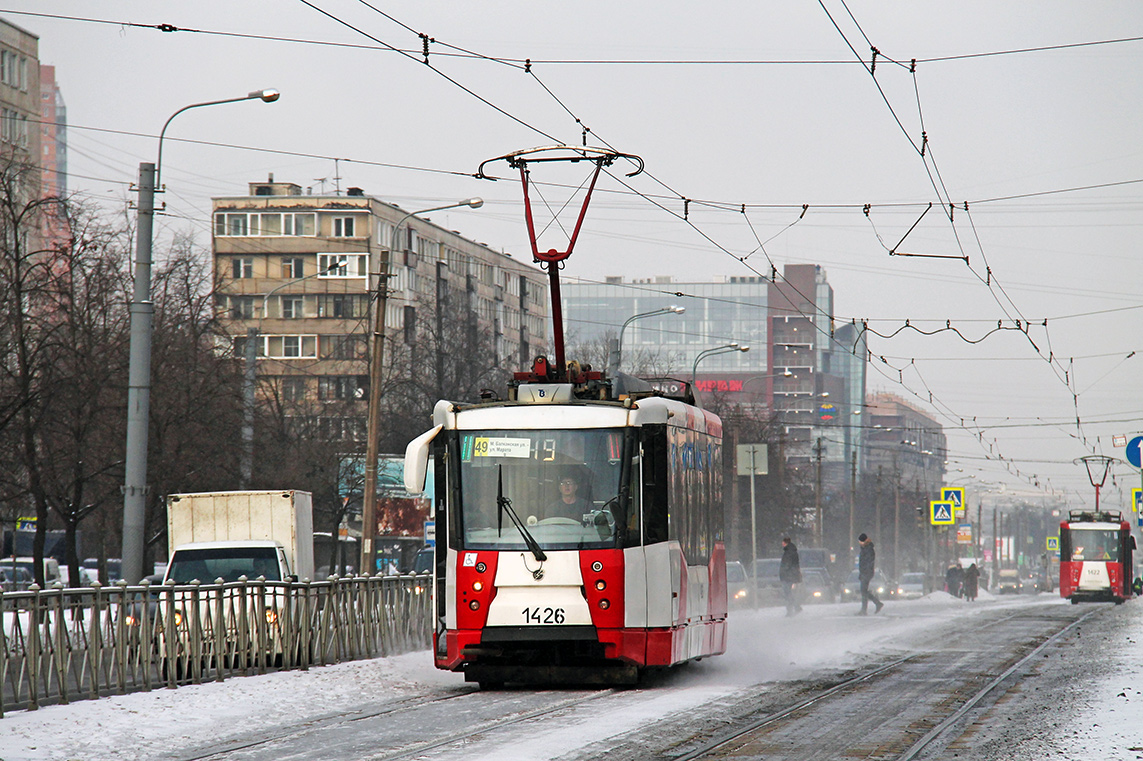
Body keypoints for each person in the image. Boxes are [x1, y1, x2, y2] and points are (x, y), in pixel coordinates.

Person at [857, 533, 883, 615]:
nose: (859, 543)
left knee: (863, 591)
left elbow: (868, 562)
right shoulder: (865, 548)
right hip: (865, 572)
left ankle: (865, 609)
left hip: (867, 572)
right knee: (864, 591)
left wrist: (865, 571)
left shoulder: (868, 549)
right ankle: (876, 603)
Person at [779, 536, 803, 617]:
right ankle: (795, 607)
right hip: (791, 575)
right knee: (788, 593)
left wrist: (784, 572)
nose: (782, 544)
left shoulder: (789, 552)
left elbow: (787, 564)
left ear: (786, 543)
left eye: (783, 542)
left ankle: (792, 609)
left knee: (788, 593)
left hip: (788, 576)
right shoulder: (792, 551)